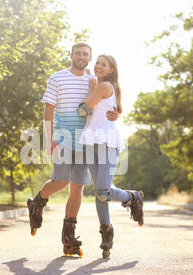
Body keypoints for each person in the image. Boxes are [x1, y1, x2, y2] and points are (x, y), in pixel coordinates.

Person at [27, 43, 119, 257]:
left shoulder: (93, 81)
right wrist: (49, 139)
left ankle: (68, 237)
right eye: (78, 53)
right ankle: (37, 203)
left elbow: (104, 105)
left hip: (85, 141)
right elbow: (48, 109)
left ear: (89, 58)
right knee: (61, 181)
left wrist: (115, 114)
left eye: (86, 54)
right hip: (63, 138)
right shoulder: (57, 78)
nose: (81, 56)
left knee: (77, 188)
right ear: (71, 55)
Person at [77, 54, 144, 258]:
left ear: (111, 70)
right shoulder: (101, 86)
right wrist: (91, 88)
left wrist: (90, 88)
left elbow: (82, 110)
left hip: (106, 142)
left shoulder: (104, 86)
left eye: (103, 64)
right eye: (97, 62)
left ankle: (132, 197)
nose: (98, 65)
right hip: (90, 141)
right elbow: (93, 108)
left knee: (103, 192)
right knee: (100, 192)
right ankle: (106, 234)